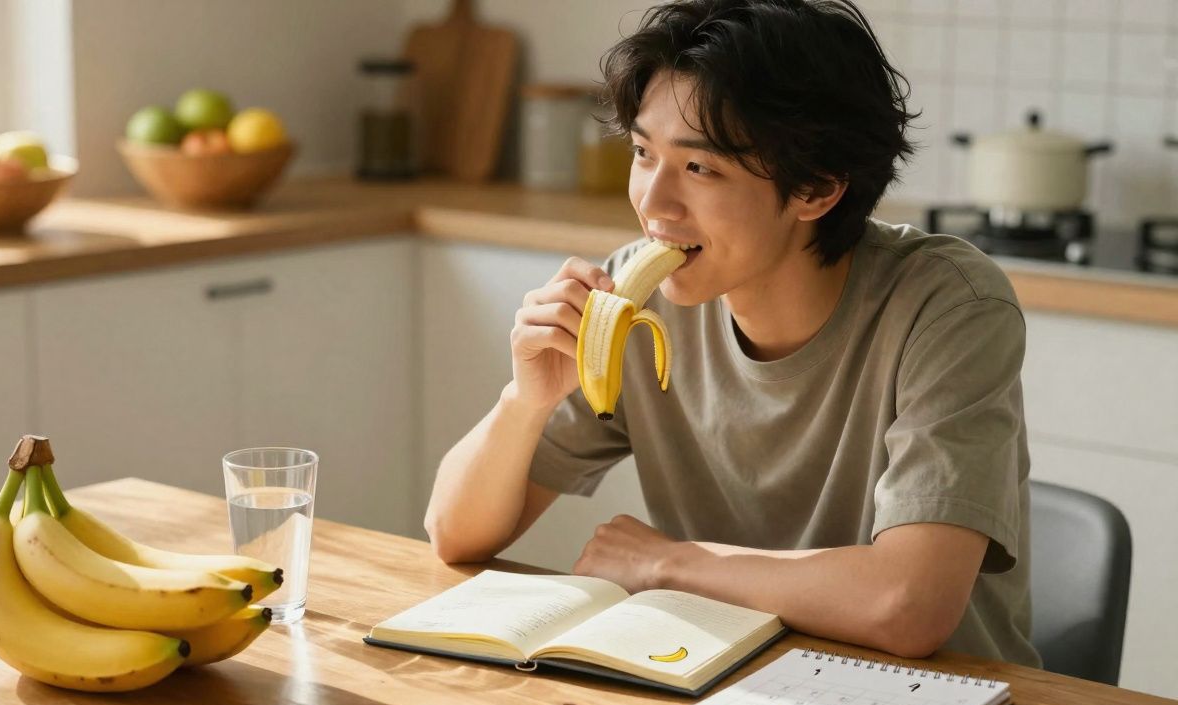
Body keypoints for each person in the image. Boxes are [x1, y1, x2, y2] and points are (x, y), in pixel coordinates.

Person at [424, 0, 1040, 667]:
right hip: (722, 682)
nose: (653, 205)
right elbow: (455, 535)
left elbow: (909, 605)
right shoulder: (637, 296)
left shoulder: (948, 306)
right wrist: (526, 400)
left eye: (700, 168)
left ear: (817, 187)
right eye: (641, 153)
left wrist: (671, 564)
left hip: (936, 700)